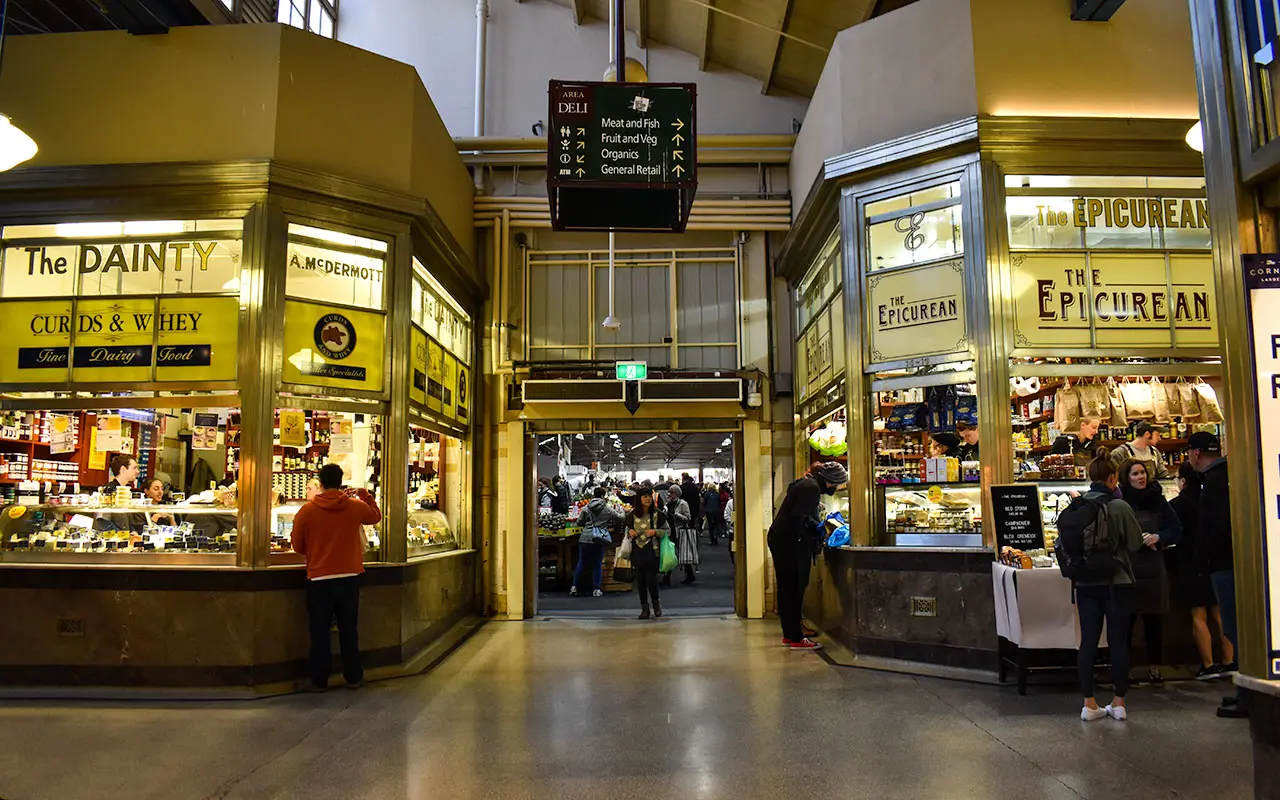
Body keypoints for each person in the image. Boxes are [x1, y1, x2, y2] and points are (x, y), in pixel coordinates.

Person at [290, 463, 382, 693]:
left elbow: (297, 545)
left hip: (319, 578)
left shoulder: (306, 511)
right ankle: (354, 677)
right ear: (341, 482)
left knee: (319, 631)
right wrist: (366, 495)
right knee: (348, 629)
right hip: (349, 576)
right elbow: (375, 516)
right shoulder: (354, 507)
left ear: (320, 484)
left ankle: (319, 680)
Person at [1073, 456, 1143, 722]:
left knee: (1088, 642)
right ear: (1113, 478)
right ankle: (1119, 702)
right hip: (1118, 582)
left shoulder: (1078, 505)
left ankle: (1089, 704)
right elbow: (1135, 543)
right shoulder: (1119, 506)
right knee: (1118, 642)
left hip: (1086, 583)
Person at [1188, 431, 1246, 718]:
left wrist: (1204, 557)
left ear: (1195, 453)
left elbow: (1216, 525)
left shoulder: (1212, 480)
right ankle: (1245, 691)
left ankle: (1248, 694)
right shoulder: (1227, 473)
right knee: (1235, 626)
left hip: (1224, 563)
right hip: (1232, 560)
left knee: (1236, 628)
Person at [768, 461, 849, 651]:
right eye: (838, 484)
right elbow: (800, 519)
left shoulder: (807, 484)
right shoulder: (811, 488)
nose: (837, 488)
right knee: (793, 588)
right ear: (831, 481)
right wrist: (818, 527)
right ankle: (794, 637)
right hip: (791, 544)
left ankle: (791, 633)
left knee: (788, 588)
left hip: (783, 541)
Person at [1117, 459, 1182, 687]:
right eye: (1135, 474)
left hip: (1154, 568)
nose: (1140, 477)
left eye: (1142, 473)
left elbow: (1176, 529)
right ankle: (1126, 670)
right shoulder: (1120, 501)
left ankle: (1155, 668)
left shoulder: (1159, 500)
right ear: (1127, 478)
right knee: (1126, 623)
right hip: (1129, 568)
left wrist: (1158, 537)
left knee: (1154, 623)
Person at [1168, 460, 1234, 680]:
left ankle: (1208, 664)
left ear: (1183, 481)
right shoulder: (1211, 497)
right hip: (1213, 560)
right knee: (1219, 611)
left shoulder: (1178, 504)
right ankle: (1229, 660)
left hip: (1190, 562)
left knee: (1198, 614)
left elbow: (1174, 534)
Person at [572, 487, 621, 597]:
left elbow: (579, 522)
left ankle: (574, 587)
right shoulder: (607, 509)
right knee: (597, 564)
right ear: (603, 496)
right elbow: (620, 518)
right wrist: (620, 509)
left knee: (581, 563)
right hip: (599, 539)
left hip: (585, 538)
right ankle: (596, 589)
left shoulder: (586, 508)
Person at [626, 487, 667, 619]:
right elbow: (626, 530)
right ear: (639, 499)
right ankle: (644, 608)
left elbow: (668, 531)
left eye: (649, 496)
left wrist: (656, 532)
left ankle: (656, 605)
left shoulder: (658, 515)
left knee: (651, 580)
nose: (648, 499)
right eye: (644, 496)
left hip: (652, 551)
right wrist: (630, 532)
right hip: (637, 550)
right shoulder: (631, 515)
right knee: (640, 581)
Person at [666, 485, 698, 584]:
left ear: (677, 493)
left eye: (672, 492)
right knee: (669, 555)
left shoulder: (683, 504)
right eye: (669, 492)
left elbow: (688, 517)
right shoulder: (668, 504)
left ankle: (690, 574)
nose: (670, 494)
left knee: (683, 554)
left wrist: (677, 515)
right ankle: (667, 578)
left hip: (680, 531)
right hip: (670, 531)